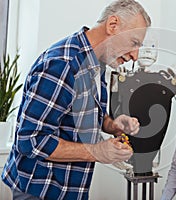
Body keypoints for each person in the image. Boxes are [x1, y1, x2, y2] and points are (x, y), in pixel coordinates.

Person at [1, 0, 151, 199]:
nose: (135, 55)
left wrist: (111, 125)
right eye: (134, 43)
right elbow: (30, 140)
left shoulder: (98, 62)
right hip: (40, 191)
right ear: (112, 25)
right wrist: (97, 152)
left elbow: (80, 111)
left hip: (70, 189)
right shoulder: (63, 65)